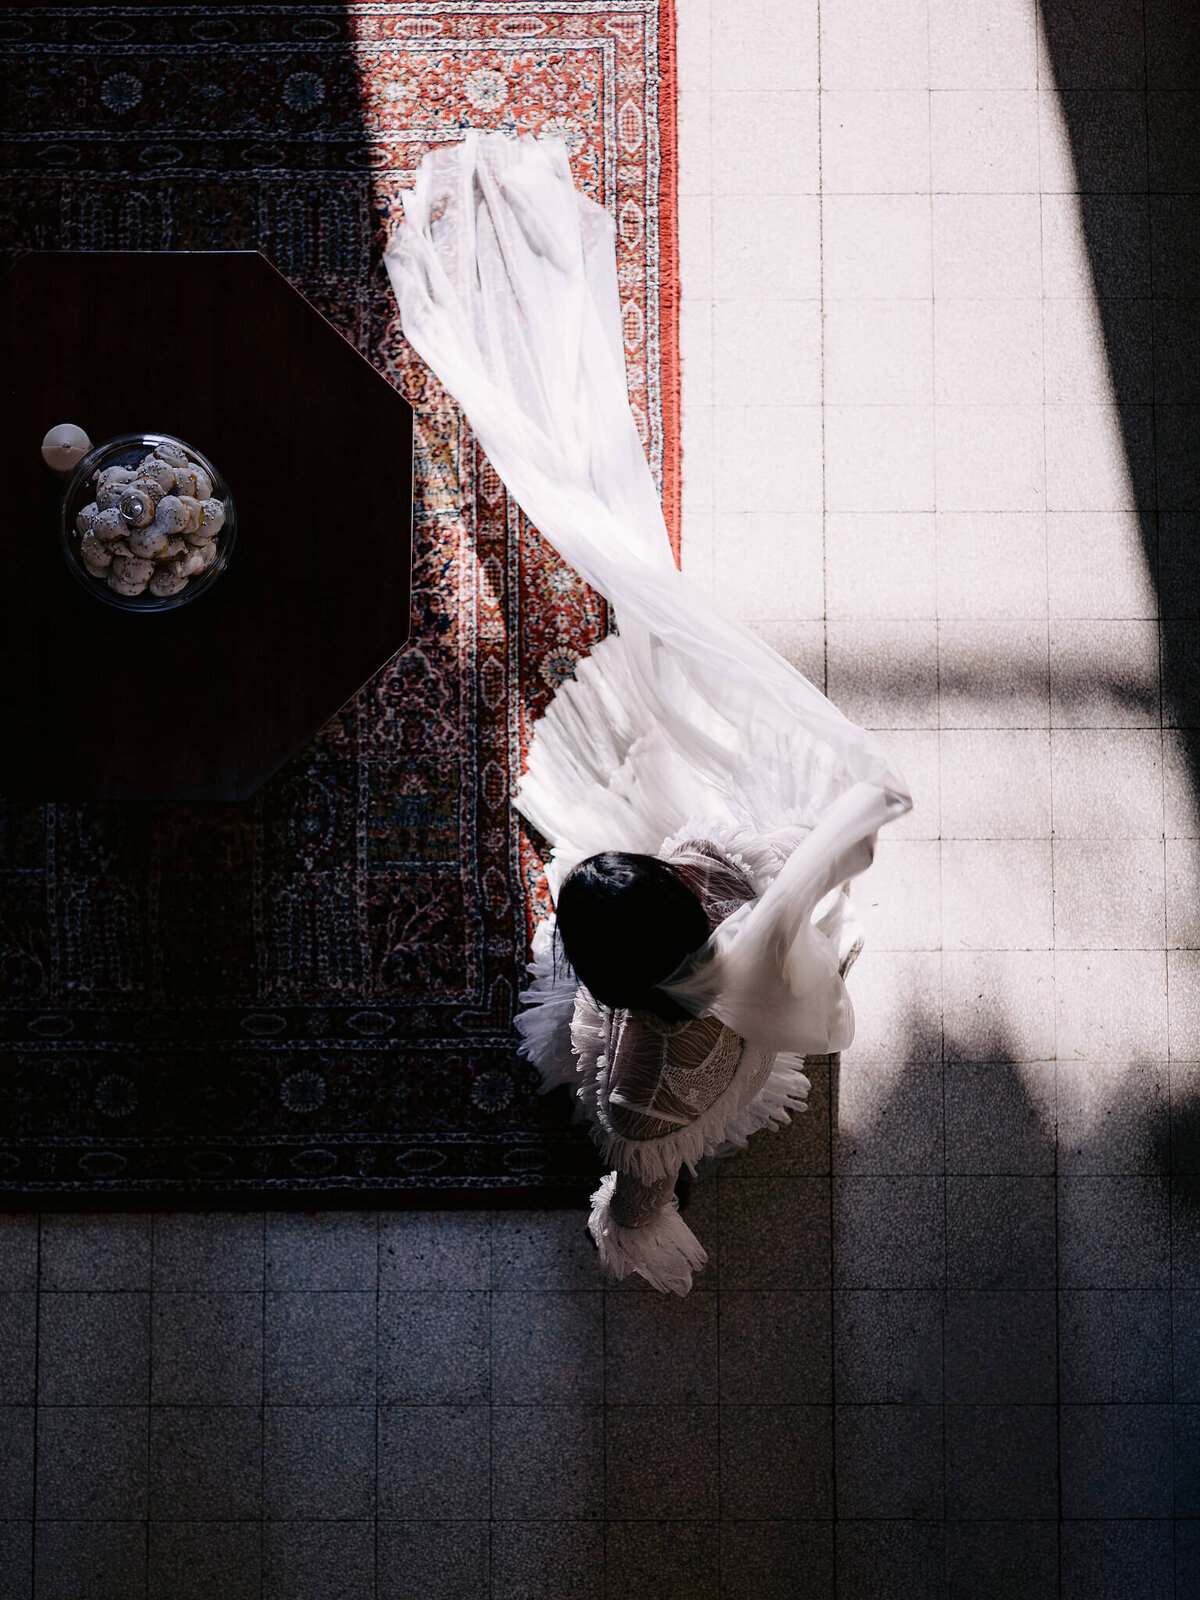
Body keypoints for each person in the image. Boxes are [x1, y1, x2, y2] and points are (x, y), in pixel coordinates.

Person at [387, 132, 912, 1293]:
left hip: (708, 1031)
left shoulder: (646, 1070)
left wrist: (636, 1205)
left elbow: (636, 1175)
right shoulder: (743, 905)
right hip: (727, 1002)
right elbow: (833, 844)